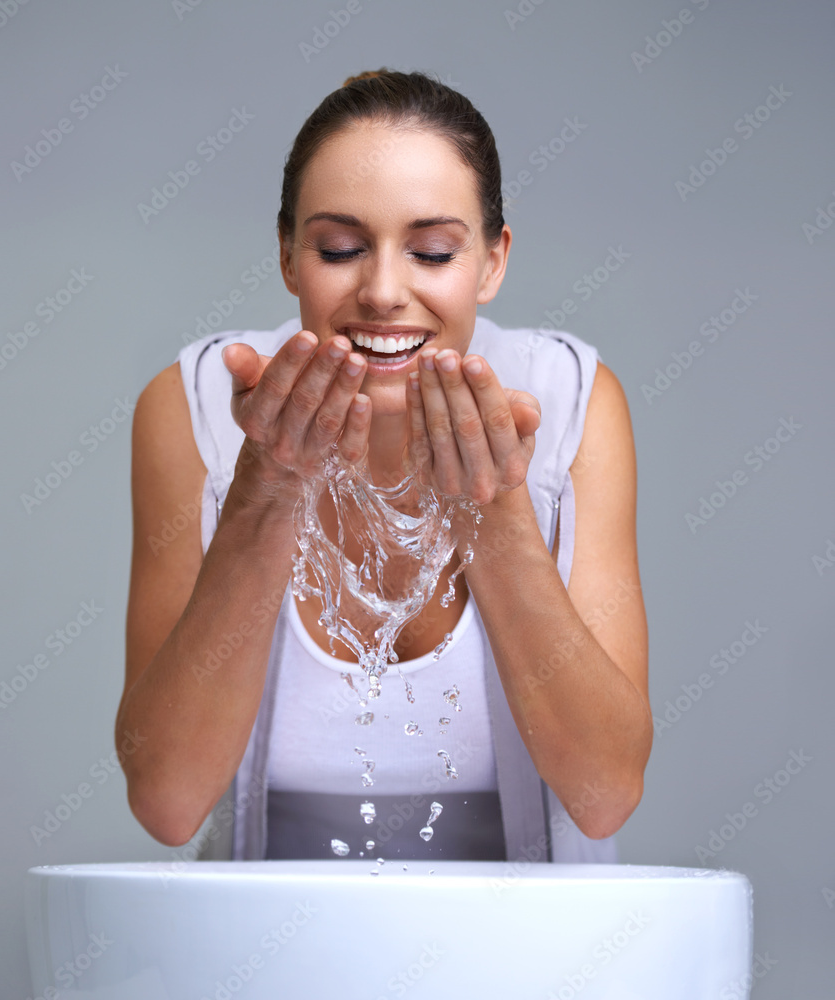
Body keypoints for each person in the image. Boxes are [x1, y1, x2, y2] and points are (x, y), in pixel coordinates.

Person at [116, 69, 652, 863]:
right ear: (289, 256)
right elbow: (166, 801)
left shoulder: (571, 403)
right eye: (340, 248)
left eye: (432, 252)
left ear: (494, 262)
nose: (383, 291)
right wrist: (265, 491)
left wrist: (495, 511)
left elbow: (606, 794)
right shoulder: (200, 408)